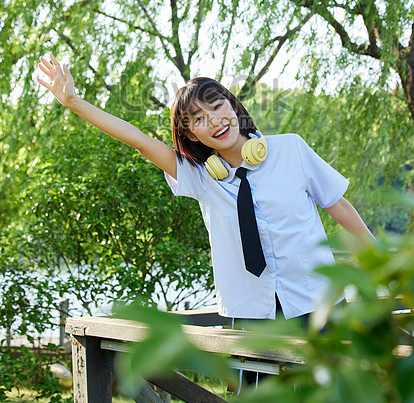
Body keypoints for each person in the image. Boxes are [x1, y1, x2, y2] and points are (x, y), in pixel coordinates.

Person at [37, 53, 373, 326]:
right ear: (192, 136)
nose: (214, 120)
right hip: (251, 314)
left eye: (217, 106)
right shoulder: (199, 176)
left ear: (233, 106)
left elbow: (337, 205)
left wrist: (383, 260)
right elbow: (138, 140)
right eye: (198, 119)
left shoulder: (291, 150)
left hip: (319, 301)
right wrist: (74, 102)